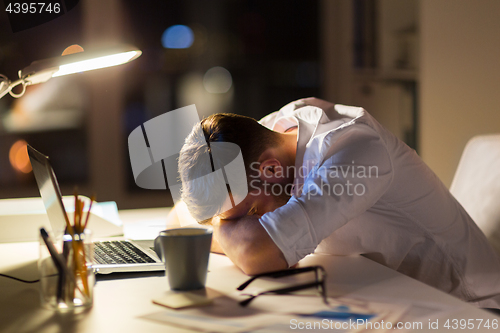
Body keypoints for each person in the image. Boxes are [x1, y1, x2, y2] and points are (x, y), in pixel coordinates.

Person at [176, 97, 500, 309]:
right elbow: (178, 219)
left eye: (253, 213)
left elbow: (258, 253)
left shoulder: (354, 151)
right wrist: (229, 221)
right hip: (388, 297)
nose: (251, 222)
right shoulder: (275, 130)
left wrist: (234, 233)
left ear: (271, 169)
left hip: (466, 308)